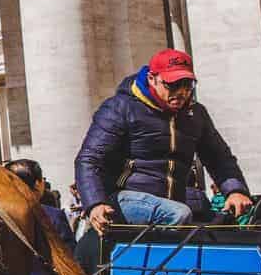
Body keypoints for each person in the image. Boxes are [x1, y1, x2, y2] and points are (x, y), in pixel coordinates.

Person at [77, 47, 251, 236]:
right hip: (123, 199)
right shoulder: (120, 108)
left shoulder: (196, 114)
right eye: (173, 85)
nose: (182, 92)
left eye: (187, 85)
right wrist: (95, 203)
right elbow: (89, 160)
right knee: (177, 213)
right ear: (152, 79)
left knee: (218, 219)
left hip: (172, 202)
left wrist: (235, 191)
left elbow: (219, 158)